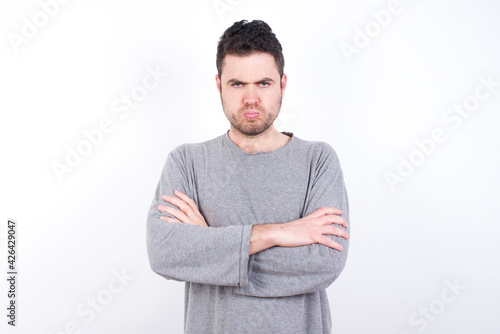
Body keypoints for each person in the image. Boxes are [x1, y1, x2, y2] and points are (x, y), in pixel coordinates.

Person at [146, 19, 350, 334]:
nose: (251, 99)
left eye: (263, 83)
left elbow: (324, 262)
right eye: (237, 84)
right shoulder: (187, 162)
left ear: (283, 84)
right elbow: (165, 253)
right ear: (219, 86)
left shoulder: (318, 161)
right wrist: (277, 233)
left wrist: (211, 247)